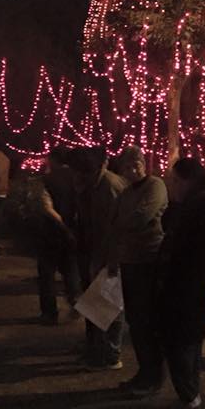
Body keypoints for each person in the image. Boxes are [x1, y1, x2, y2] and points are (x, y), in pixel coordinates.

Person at [157, 157, 205, 409]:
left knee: (182, 338)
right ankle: (189, 391)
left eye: (175, 180)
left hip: (188, 280)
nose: (172, 184)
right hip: (186, 279)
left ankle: (189, 392)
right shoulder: (191, 202)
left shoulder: (201, 203)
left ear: (188, 180)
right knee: (187, 337)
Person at [106, 146, 168, 393]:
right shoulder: (126, 192)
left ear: (144, 164)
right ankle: (145, 372)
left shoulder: (155, 186)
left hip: (148, 261)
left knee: (147, 320)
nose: (132, 170)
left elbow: (140, 217)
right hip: (129, 260)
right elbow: (114, 221)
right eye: (127, 166)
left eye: (136, 164)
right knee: (135, 320)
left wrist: (121, 224)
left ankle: (153, 376)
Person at [73, 146, 127, 370]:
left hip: (111, 253)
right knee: (99, 304)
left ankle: (111, 355)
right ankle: (100, 350)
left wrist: (111, 258)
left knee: (111, 305)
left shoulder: (110, 187)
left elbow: (117, 226)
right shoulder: (95, 186)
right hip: (99, 251)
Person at [28, 147, 80, 326]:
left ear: (54, 160)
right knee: (70, 269)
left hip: (50, 233)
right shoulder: (78, 178)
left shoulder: (47, 180)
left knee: (47, 273)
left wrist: (61, 224)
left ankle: (49, 313)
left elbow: (45, 207)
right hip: (72, 232)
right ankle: (76, 301)